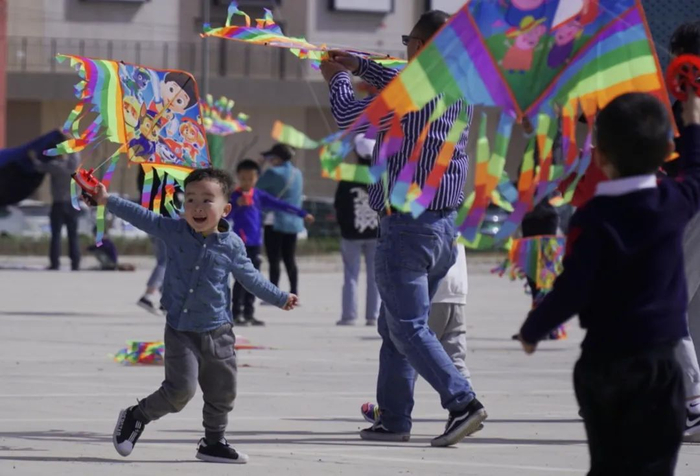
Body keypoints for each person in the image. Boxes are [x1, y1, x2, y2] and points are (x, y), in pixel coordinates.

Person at [320, 10, 486, 447]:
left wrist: (338, 78)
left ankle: (462, 402)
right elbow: (396, 78)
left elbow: (349, 116)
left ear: (420, 47)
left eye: (408, 42)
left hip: (407, 228)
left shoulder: (413, 91)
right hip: (440, 228)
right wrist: (360, 64)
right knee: (395, 326)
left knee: (408, 326)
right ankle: (394, 419)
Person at [517, 91, 700, 475]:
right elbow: (696, 171)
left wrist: (535, 328)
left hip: (604, 365)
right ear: (667, 150)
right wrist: (693, 122)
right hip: (661, 369)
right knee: (655, 464)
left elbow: (573, 287)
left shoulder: (593, 218)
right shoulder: (674, 203)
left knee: (608, 463)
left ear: (599, 156)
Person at [94, 168, 299, 464]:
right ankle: (136, 415)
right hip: (180, 329)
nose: (197, 207)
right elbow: (143, 217)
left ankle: (213, 442)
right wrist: (107, 199)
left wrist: (280, 297)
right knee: (180, 391)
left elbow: (251, 278)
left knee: (222, 391)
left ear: (225, 209)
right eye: (190, 199)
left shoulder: (231, 245)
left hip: (218, 330)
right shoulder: (174, 230)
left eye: (206, 200)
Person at [360, 245, 475, 425]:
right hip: (457, 293)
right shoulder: (456, 226)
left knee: (409, 353)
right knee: (455, 357)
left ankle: (393, 412)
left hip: (430, 293)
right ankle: (470, 407)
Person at [228, 159, 314, 326]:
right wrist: (235, 205)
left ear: (256, 178)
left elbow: (281, 205)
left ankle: (249, 313)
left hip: (255, 244)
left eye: (250, 178)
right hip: (239, 245)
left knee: (254, 279)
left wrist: (302, 214)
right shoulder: (233, 196)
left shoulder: (259, 195)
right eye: (243, 178)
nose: (247, 182)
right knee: (240, 280)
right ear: (238, 177)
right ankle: (236, 313)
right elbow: (222, 215)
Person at [670, 20, 700, 442]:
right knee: (693, 307)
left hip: (692, 202)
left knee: (667, 301)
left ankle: (691, 403)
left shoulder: (685, 89)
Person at [334, 134, 380, 326]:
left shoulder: (348, 176)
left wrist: (343, 226)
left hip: (351, 234)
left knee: (350, 275)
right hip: (377, 234)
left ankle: (349, 316)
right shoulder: (381, 175)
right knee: (375, 276)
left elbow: (339, 204)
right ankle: (373, 316)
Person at [256, 144, 305, 296]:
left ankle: (274, 293)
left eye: (271, 157)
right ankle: (294, 292)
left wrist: (260, 165)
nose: (270, 160)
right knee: (290, 258)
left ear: (277, 158)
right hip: (293, 221)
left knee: (274, 259)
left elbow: (255, 185)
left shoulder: (273, 172)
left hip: (275, 219)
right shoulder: (297, 173)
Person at [28, 149, 81, 271]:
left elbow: (39, 167)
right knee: (73, 235)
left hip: (58, 203)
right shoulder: (73, 164)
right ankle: (75, 263)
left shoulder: (55, 166)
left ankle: (55, 263)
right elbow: (76, 155)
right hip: (73, 204)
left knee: (56, 235)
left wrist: (32, 158)